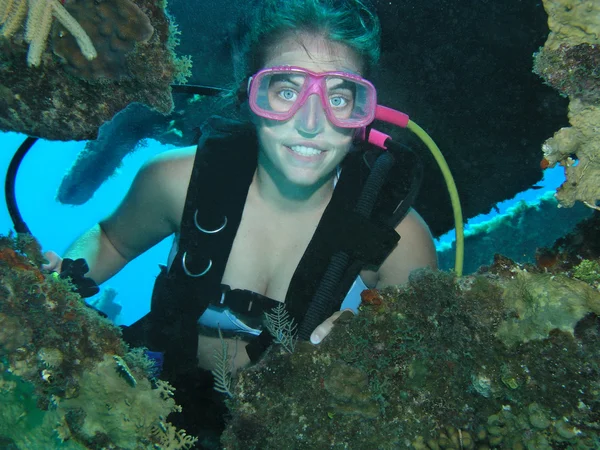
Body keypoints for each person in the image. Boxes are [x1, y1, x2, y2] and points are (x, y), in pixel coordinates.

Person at [44, 0, 437, 443]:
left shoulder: (398, 239)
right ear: (250, 96)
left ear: (364, 114)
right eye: (286, 90)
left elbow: (421, 367)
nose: (311, 123)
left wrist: (371, 343)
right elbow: (111, 240)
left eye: (340, 96)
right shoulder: (177, 180)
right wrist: (65, 280)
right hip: (157, 398)